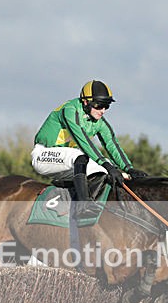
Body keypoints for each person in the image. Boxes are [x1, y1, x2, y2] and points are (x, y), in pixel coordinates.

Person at [32, 80, 142, 219]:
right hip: (43, 155)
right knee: (84, 157)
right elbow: (83, 142)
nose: (103, 110)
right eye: (99, 105)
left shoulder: (99, 122)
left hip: (67, 162)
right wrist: (106, 165)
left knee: (109, 171)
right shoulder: (70, 110)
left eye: (106, 106)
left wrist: (129, 168)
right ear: (85, 102)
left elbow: (112, 144)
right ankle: (83, 205)